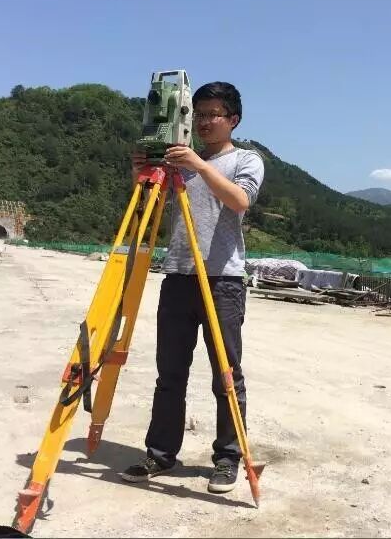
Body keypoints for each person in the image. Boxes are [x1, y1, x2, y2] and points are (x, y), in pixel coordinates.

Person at [122, 81, 265, 494]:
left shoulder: (246, 160)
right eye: (197, 114)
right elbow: (149, 203)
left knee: (226, 374)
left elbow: (240, 201)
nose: (203, 122)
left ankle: (227, 459)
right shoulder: (179, 163)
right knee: (169, 373)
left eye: (212, 115)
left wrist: (199, 166)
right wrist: (141, 172)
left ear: (232, 119)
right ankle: (161, 453)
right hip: (178, 275)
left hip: (223, 280)